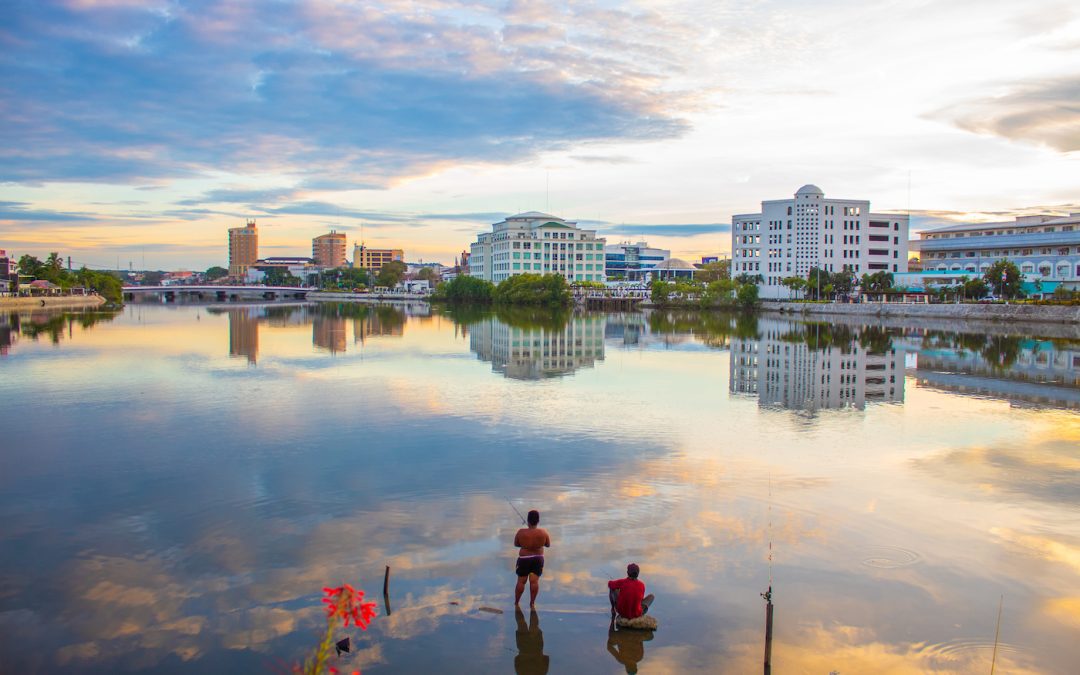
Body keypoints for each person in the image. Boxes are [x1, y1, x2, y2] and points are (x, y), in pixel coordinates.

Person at [514, 509, 550, 608]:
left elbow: (516, 544)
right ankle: (532, 603)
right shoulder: (543, 532)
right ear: (538, 521)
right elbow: (548, 545)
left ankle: (517, 603)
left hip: (524, 559)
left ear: (528, 520)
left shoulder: (521, 532)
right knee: (534, 582)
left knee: (521, 581)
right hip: (538, 559)